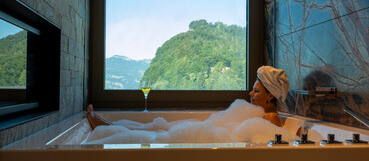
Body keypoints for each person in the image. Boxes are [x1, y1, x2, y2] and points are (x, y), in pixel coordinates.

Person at [87, 65, 290, 130]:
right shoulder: (260, 115)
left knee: (157, 131)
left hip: (212, 134)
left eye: (257, 91)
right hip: (209, 131)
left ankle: (104, 125)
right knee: (157, 128)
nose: (251, 93)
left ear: (271, 96)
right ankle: (107, 125)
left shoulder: (271, 119)